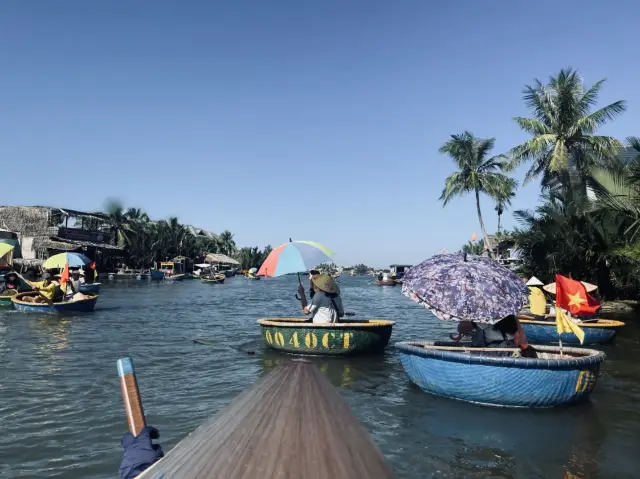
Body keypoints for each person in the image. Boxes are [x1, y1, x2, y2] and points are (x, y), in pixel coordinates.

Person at [457, 315, 537, 357]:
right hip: (509, 351)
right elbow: (522, 343)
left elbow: (467, 328)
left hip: (490, 352)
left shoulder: (486, 319)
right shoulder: (513, 319)